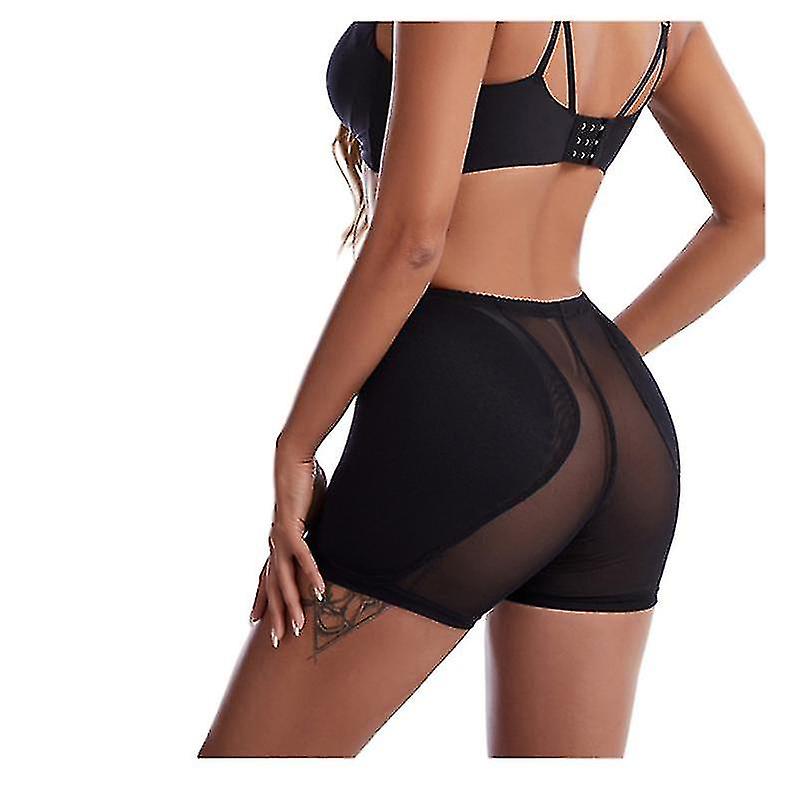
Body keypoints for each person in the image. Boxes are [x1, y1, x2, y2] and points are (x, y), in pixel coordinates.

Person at [199, 21, 764, 757]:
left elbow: (414, 240)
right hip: (625, 429)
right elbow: (757, 211)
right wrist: (592, 367)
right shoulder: (669, 20)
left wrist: (298, 444)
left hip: (463, 403)